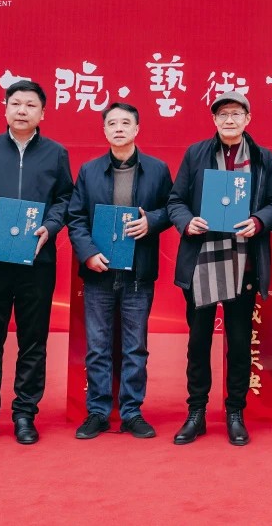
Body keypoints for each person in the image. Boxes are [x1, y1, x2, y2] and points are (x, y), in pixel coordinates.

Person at [0, 80, 73, 448]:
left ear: (43, 113)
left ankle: (25, 414)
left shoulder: (55, 153)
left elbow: (65, 199)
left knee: (33, 341)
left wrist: (50, 228)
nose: (22, 110)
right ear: (5, 108)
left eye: (30, 105)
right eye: (16, 103)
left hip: (36, 261)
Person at [166, 91, 272, 446]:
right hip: (201, 260)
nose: (229, 120)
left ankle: (235, 412)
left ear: (248, 119)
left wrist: (259, 221)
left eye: (235, 113)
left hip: (244, 262)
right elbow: (176, 200)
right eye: (222, 114)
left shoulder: (264, 158)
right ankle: (196, 412)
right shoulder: (196, 154)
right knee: (198, 341)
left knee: (239, 342)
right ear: (214, 120)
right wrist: (187, 222)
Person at [67, 102, 173, 440]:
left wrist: (151, 221)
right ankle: (98, 412)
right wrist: (87, 253)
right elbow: (75, 217)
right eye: (112, 123)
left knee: (135, 346)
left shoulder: (157, 169)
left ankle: (132, 412)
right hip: (99, 271)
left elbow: (172, 208)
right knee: (97, 345)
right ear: (104, 130)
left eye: (125, 122)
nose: (118, 128)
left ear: (137, 129)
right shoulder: (89, 170)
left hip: (137, 272)